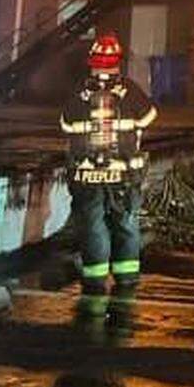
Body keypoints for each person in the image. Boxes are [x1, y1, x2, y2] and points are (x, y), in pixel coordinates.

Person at [59, 33, 158, 296]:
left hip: (87, 175)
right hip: (125, 174)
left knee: (93, 224)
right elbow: (150, 118)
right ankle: (126, 279)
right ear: (117, 62)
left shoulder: (80, 94)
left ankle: (95, 279)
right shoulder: (131, 91)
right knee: (125, 223)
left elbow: (66, 125)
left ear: (92, 62)